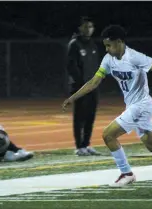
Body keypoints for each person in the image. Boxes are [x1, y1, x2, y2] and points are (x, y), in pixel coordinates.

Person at [63, 25, 152, 188]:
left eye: (109, 45)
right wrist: (73, 97)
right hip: (135, 106)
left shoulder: (134, 57)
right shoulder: (108, 59)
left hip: (141, 106)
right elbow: (94, 82)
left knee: (108, 135)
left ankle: (126, 173)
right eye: (105, 45)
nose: (107, 49)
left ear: (119, 42)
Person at [66, 16, 101, 156]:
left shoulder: (92, 44)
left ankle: (87, 144)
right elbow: (71, 66)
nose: (89, 30)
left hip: (93, 87)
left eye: (91, 27)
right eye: (86, 27)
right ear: (80, 28)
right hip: (79, 87)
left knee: (90, 116)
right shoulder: (74, 44)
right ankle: (79, 146)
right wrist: (81, 82)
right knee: (79, 116)